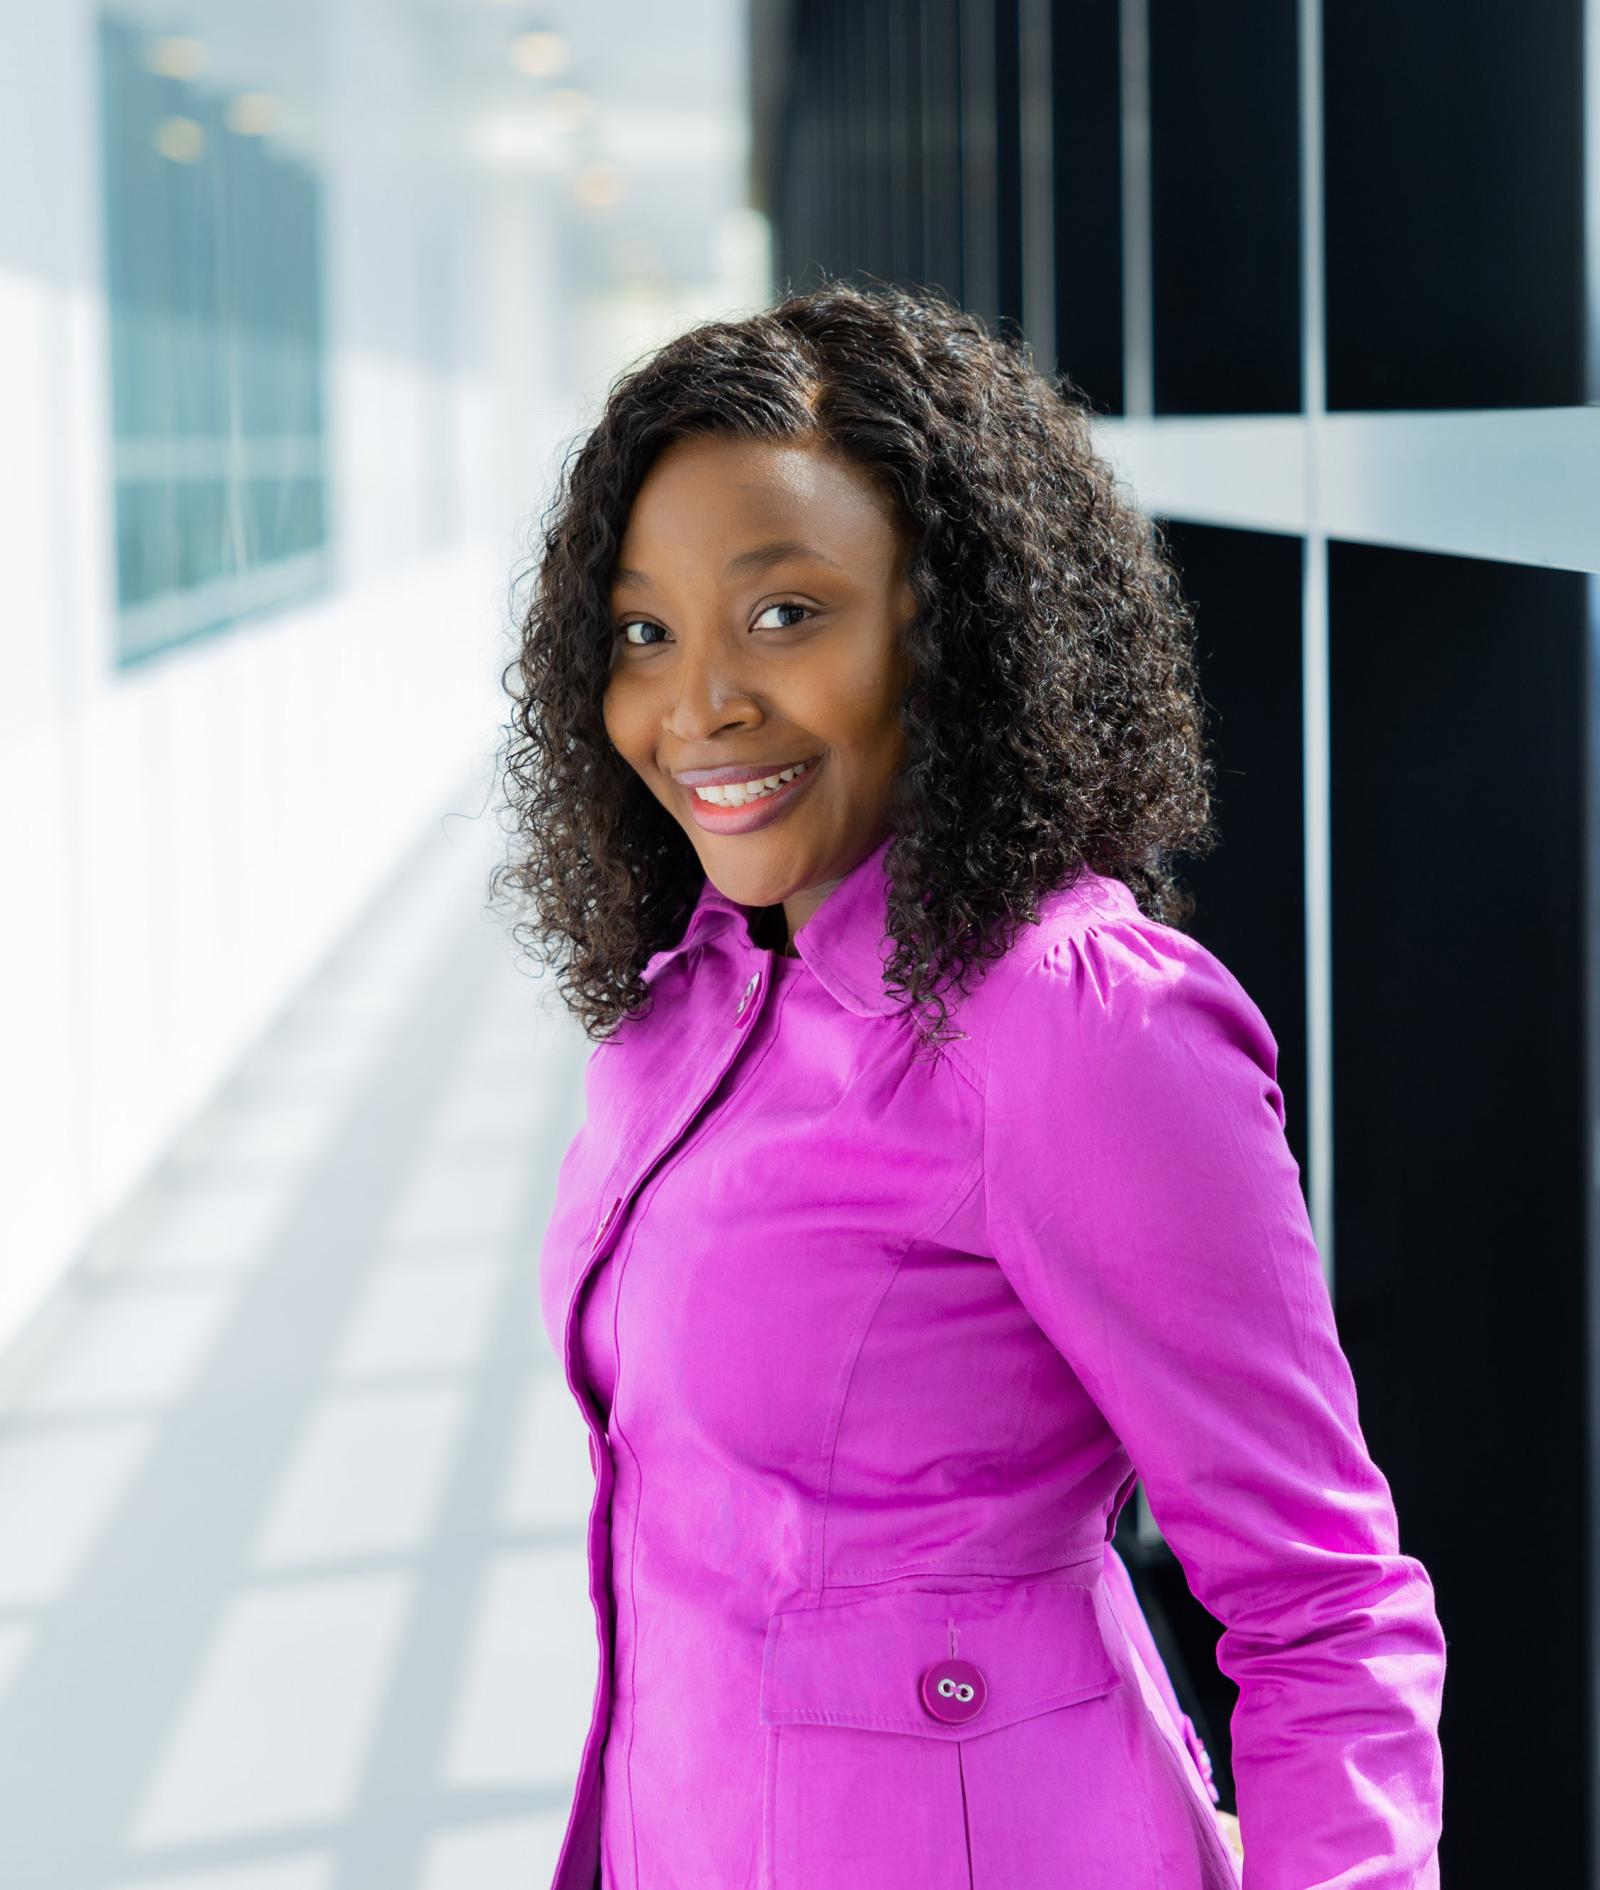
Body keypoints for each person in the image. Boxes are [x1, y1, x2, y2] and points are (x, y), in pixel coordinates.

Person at [493, 277, 1446, 1890]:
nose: (701, 701)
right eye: (646, 631)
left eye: (786, 612)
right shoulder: (686, 1011)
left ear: (955, 629)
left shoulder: (1075, 1027)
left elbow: (1320, 1599)